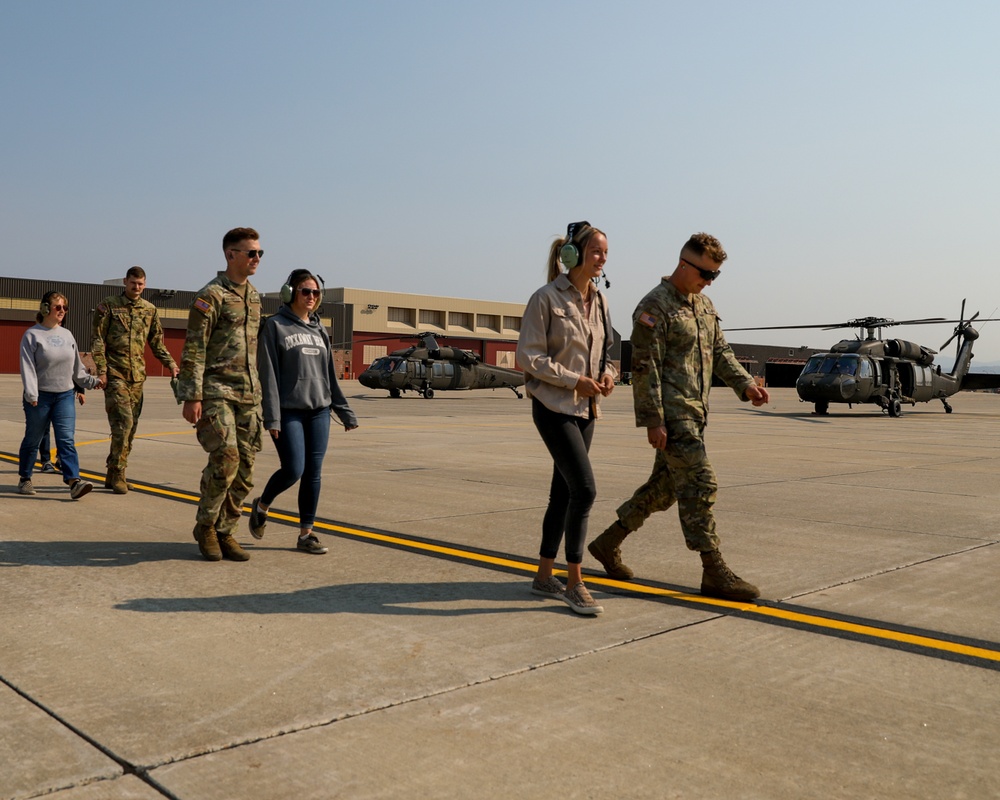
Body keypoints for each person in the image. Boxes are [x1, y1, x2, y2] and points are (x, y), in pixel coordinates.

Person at [587, 232, 769, 601]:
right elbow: (643, 368)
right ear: (684, 264)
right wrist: (653, 420)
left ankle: (608, 542)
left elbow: (721, 352)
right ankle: (713, 569)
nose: (709, 281)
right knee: (701, 484)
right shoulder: (655, 307)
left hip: (697, 414)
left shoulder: (703, 306)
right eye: (706, 274)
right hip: (673, 417)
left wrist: (746, 384)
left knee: (664, 489)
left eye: (715, 276)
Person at [516, 221, 615, 616]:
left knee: (563, 493)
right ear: (571, 255)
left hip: (587, 409)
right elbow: (530, 357)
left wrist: (606, 375)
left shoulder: (602, 302)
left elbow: (608, 351)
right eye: (595, 251)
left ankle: (543, 576)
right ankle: (575, 581)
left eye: (605, 253)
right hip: (553, 407)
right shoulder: (545, 298)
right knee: (585, 491)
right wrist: (577, 380)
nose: (602, 259)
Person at [249, 270, 358, 554]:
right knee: (294, 468)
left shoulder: (321, 330)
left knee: (313, 473)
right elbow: (268, 375)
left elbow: (329, 376)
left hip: (319, 411)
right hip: (288, 412)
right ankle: (262, 505)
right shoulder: (274, 326)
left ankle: (306, 534)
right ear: (290, 293)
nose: (311, 297)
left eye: (316, 293)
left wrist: (344, 411)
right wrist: (272, 416)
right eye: (305, 291)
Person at [176, 228, 264, 562]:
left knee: (246, 470)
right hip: (215, 392)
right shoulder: (210, 295)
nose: (256, 258)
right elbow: (195, 347)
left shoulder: (254, 297)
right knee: (226, 459)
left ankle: (227, 531)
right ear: (231, 255)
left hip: (248, 394)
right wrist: (191, 396)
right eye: (250, 253)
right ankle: (206, 527)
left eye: (259, 253)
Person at [91, 266, 179, 493]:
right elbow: (98, 340)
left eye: (140, 284)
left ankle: (113, 474)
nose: (136, 287)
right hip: (115, 373)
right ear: (125, 282)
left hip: (137, 377)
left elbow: (157, 343)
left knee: (131, 428)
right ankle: (119, 472)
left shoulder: (150, 310)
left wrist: (170, 363)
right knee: (123, 424)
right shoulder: (109, 305)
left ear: (145, 284)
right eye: (133, 283)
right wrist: (101, 370)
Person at [17, 291, 105, 498]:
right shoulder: (32, 335)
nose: (62, 311)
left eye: (65, 308)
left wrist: (92, 382)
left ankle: (74, 481)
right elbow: (27, 368)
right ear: (45, 308)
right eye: (58, 307)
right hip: (40, 397)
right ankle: (25, 479)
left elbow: (77, 368)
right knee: (33, 439)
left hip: (64, 395)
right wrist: (31, 394)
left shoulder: (67, 335)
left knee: (66, 439)